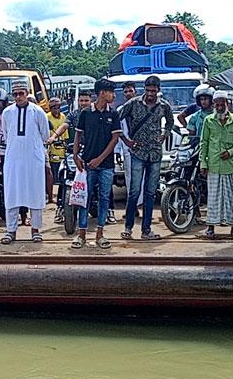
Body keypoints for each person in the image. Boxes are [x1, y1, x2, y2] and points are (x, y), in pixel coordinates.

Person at [118, 75, 174, 241]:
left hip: (155, 154)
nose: (150, 94)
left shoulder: (164, 106)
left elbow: (170, 123)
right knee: (134, 192)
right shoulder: (133, 103)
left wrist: (165, 135)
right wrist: (126, 140)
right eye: (148, 90)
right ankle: (128, 228)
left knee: (150, 193)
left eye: (153, 91)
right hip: (137, 153)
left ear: (158, 90)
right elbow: (115, 120)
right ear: (144, 88)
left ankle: (146, 230)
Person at [71, 79, 121, 249]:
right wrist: (75, 155)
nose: (113, 95)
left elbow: (115, 139)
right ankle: (82, 234)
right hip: (86, 164)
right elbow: (78, 136)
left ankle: (100, 233)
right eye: (111, 92)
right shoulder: (85, 113)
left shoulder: (113, 114)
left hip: (106, 165)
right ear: (102, 93)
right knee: (84, 198)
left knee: (104, 198)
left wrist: (99, 159)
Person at [0, 81, 50, 244]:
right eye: (15, 94)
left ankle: (35, 230)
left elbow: (45, 134)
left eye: (21, 93)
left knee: (35, 194)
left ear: (27, 93)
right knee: (12, 194)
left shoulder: (38, 111)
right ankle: (11, 231)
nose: (18, 97)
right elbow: (7, 135)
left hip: (33, 159)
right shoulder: (7, 113)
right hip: (13, 159)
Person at [199, 91, 233, 239]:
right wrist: (203, 163)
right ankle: (210, 227)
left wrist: (231, 151)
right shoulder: (208, 120)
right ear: (214, 105)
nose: (219, 107)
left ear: (228, 104)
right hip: (213, 164)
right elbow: (204, 142)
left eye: (222, 104)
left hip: (229, 165)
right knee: (213, 197)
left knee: (231, 196)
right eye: (217, 104)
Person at [49, 91, 93, 223]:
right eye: (81, 100)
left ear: (91, 101)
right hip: (73, 151)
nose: (84, 103)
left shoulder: (95, 114)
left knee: (99, 179)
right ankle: (61, 208)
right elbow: (65, 125)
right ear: (78, 102)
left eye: (86, 100)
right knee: (64, 176)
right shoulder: (74, 115)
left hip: (91, 152)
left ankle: (109, 210)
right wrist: (53, 137)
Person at [115, 81, 141, 220]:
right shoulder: (121, 111)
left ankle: (140, 206)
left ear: (135, 91)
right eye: (125, 92)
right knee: (130, 179)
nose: (128, 94)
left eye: (130, 91)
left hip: (143, 149)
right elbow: (118, 132)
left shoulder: (143, 107)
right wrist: (118, 151)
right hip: (127, 149)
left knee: (143, 179)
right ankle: (132, 208)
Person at [43, 97, 66, 204]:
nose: (56, 110)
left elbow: (65, 135)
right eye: (53, 107)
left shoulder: (63, 117)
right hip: (50, 150)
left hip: (61, 150)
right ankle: (49, 195)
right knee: (49, 172)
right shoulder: (46, 117)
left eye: (58, 107)